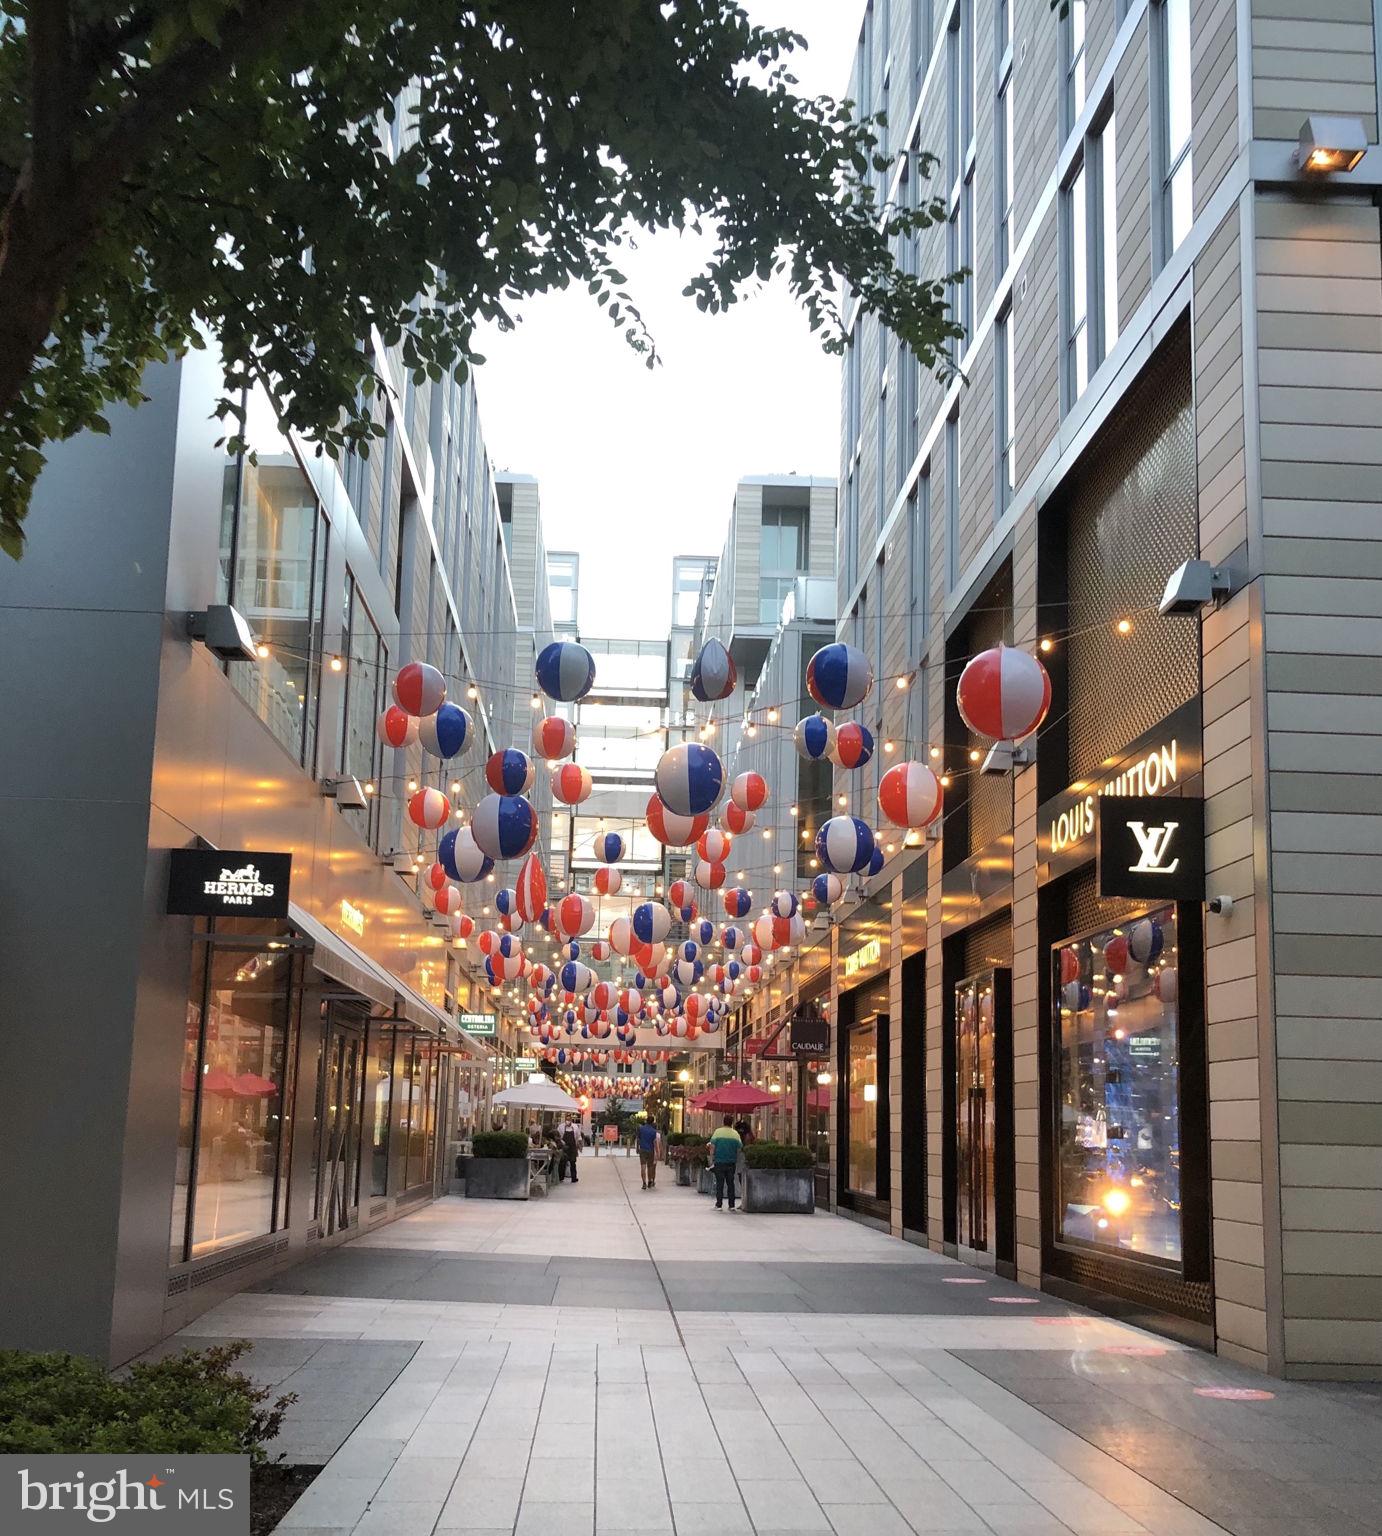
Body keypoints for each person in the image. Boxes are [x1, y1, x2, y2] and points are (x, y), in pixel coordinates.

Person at [709, 1115, 742, 1209]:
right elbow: (739, 1148)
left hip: (719, 1161)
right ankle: (732, 1205)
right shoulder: (735, 1134)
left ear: (723, 1122)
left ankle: (719, 1204)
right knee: (730, 1183)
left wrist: (712, 1158)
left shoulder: (717, 1132)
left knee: (720, 1183)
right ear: (731, 1123)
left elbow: (712, 1147)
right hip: (731, 1162)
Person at [636, 1118, 660, 1189]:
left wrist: (637, 1148)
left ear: (646, 1121)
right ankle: (649, 1181)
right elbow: (655, 1142)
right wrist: (657, 1152)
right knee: (650, 1167)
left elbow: (638, 1139)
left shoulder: (641, 1129)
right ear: (652, 1122)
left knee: (643, 1167)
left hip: (643, 1149)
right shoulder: (653, 1131)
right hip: (650, 1150)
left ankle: (644, 1183)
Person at [560, 1119, 580, 1184]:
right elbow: (559, 1137)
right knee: (563, 1162)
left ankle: (573, 1178)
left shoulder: (575, 1127)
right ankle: (561, 1177)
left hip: (572, 1148)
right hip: (564, 1147)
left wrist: (577, 1145)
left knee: (573, 1163)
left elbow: (577, 1137)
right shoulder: (561, 1127)